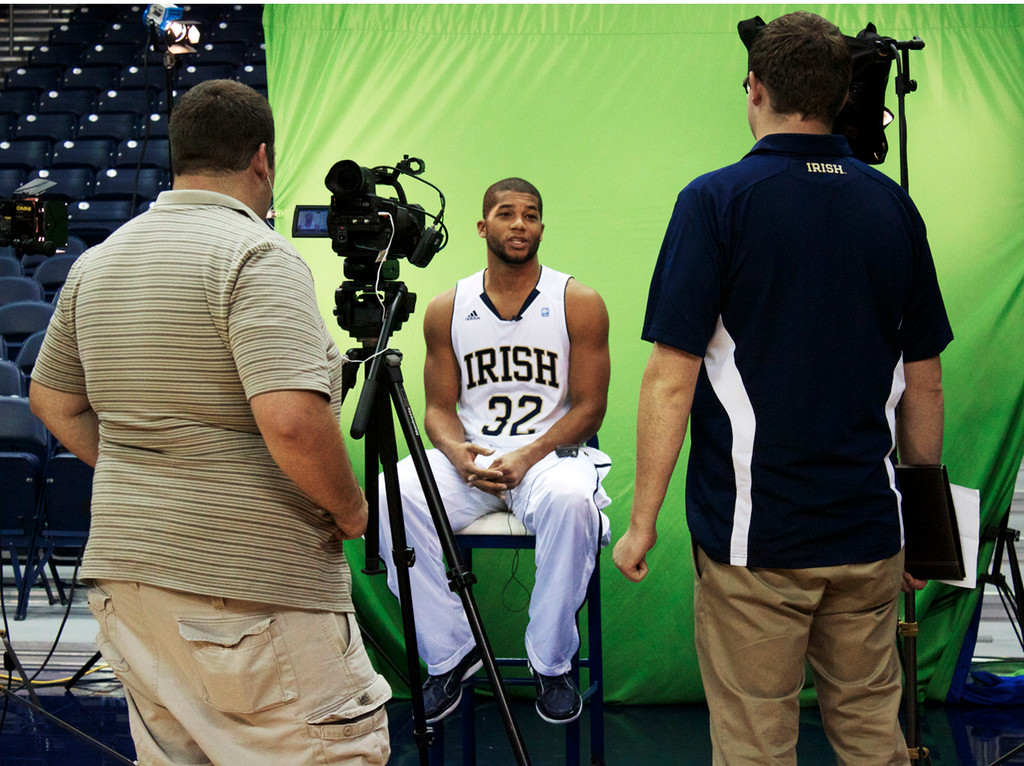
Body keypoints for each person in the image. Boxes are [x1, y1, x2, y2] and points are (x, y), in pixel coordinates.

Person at [613, 12, 952, 765]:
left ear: (755, 88)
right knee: (873, 737)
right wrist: (923, 526)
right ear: (840, 96)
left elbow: (672, 381)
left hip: (754, 542)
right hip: (871, 535)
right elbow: (923, 382)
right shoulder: (892, 204)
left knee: (756, 747)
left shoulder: (716, 201)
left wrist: (641, 523)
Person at [29, 80, 391, 765]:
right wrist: (350, 509)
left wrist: (150, 471)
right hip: (250, 592)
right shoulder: (256, 254)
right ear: (262, 159)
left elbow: (51, 402)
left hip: (129, 581)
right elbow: (290, 421)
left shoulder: (96, 262)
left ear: (178, 156)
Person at [377, 177, 611, 725]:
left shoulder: (577, 301)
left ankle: (551, 664)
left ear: (541, 228)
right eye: (507, 214)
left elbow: (589, 408)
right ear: (483, 227)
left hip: (549, 460)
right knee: (395, 493)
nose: (520, 225)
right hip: (475, 461)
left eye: (531, 215)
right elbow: (437, 409)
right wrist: (459, 454)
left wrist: (527, 457)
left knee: (575, 504)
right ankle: (453, 654)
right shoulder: (447, 307)